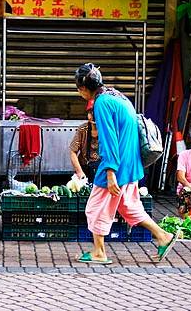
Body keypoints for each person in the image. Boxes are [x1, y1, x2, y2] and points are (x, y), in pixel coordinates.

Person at [74, 63, 180, 264]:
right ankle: (163, 236)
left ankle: (99, 252)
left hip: (117, 164)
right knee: (128, 205)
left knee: (95, 207)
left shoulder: (102, 103)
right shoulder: (116, 95)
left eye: (79, 88)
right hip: (131, 163)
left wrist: (110, 171)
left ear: (84, 87)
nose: (79, 92)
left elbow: (109, 139)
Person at [69, 99, 100, 184]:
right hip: (84, 168)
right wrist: (79, 172)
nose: (93, 116)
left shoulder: (108, 130)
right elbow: (73, 151)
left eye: (96, 113)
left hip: (102, 170)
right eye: (90, 113)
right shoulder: (82, 129)